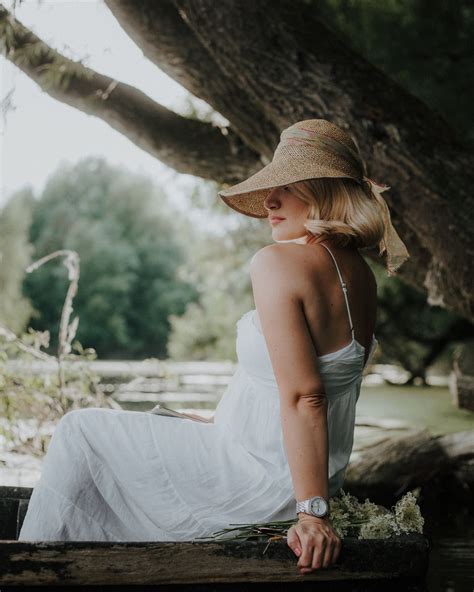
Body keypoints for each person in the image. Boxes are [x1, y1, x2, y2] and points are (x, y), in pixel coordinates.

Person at [18, 118, 409, 575]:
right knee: (151, 423)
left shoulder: (277, 263)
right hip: (293, 474)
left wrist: (312, 515)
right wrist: (220, 422)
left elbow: (307, 395)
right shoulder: (358, 276)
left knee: (79, 432)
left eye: (287, 186)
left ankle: (30, 573)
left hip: (262, 483)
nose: (269, 201)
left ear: (322, 189)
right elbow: (318, 382)